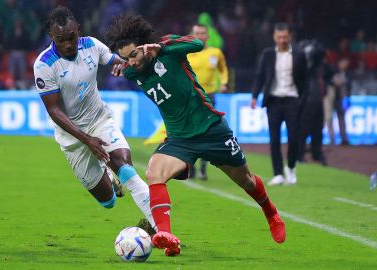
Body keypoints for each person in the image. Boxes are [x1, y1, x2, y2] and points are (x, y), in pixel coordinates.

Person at [105, 14, 285, 257]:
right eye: (126, 58)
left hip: (211, 129)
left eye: (134, 55)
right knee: (154, 171)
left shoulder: (168, 49)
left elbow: (197, 44)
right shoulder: (131, 72)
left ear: (145, 46)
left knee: (247, 181)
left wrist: (161, 47)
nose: (132, 62)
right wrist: (120, 64)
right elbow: (119, 65)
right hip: (180, 139)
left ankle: (271, 213)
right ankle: (166, 234)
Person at [32, 6, 155, 234]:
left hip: (100, 121)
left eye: (72, 37)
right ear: (52, 37)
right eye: (61, 40)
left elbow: (115, 61)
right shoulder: (44, 65)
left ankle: (161, 230)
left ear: (78, 30)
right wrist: (88, 140)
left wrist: (121, 64)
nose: (68, 44)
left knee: (125, 168)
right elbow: (54, 111)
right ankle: (107, 175)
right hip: (73, 138)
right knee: (108, 201)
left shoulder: (91, 45)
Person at [250, 23, 307, 186]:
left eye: (285, 37)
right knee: (274, 139)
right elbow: (259, 76)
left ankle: (290, 167)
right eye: (279, 37)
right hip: (273, 101)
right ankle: (278, 173)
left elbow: (306, 79)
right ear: (274, 37)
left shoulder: (299, 54)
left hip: (292, 100)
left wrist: (302, 99)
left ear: (289, 36)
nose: (282, 40)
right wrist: (254, 96)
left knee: (294, 137)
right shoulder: (267, 54)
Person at [188, 23, 229, 180]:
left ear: (207, 36)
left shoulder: (215, 53)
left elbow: (223, 68)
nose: (200, 36)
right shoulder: (186, 53)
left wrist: (224, 82)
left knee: (207, 131)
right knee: (190, 132)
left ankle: (203, 169)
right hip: (190, 97)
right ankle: (190, 168)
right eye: (197, 33)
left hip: (209, 96)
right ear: (192, 35)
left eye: (202, 33)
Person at [297, 40, 331, 166]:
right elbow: (313, 58)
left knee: (317, 129)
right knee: (303, 129)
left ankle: (316, 153)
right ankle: (299, 154)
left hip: (318, 100)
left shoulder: (321, 66)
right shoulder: (305, 66)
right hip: (308, 100)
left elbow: (330, 73)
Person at [325, 58, 351, 145]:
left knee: (341, 118)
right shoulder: (332, 71)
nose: (345, 65)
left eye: (346, 63)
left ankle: (344, 138)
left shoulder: (347, 73)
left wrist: (347, 98)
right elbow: (329, 82)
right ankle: (331, 138)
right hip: (331, 98)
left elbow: (348, 87)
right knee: (329, 118)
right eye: (344, 63)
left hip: (341, 99)